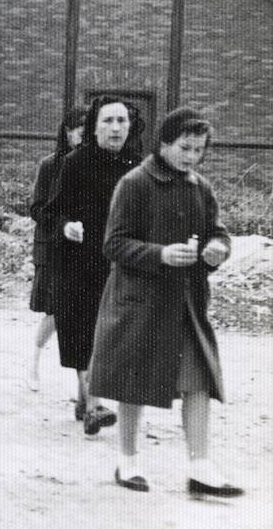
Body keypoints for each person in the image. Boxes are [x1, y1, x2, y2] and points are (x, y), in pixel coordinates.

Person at [90, 108, 241, 497]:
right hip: (141, 302)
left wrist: (216, 249)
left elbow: (219, 233)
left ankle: (201, 467)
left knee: (198, 381)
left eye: (198, 149)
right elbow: (114, 243)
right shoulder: (134, 183)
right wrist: (159, 254)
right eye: (184, 148)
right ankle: (128, 460)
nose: (191, 157)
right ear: (164, 144)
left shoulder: (199, 187)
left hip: (186, 302)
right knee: (133, 381)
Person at [46, 95, 142, 434]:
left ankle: (86, 399)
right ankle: (94, 405)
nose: (116, 128)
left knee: (110, 333)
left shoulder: (136, 164)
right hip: (78, 261)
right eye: (108, 121)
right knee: (84, 329)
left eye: (122, 121)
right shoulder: (75, 162)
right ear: (94, 126)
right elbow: (51, 210)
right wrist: (66, 225)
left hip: (119, 263)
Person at [26, 106, 88, 391]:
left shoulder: (96, 167)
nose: (84, 135)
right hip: (52, 248)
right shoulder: (51, 165)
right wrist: (62, 226)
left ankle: (84, 391)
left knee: (84, 315)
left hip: (84, 249)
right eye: (79, 129)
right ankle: (34, 361)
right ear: (67, 132)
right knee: (55, 311)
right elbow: (37, 208)